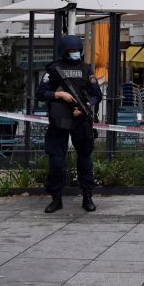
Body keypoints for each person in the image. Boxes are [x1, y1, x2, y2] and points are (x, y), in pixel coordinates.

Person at [36, 34, 103, 213]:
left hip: (81, 120)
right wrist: (58, 95)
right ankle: (56, 198)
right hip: (59, 120)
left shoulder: (86, 69)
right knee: (57, 161)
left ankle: (87, 196)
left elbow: (97, 94)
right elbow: (40, 93)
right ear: (64, 52)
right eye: (71, 51)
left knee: (85, 161)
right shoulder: (54, 69)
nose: (75, 54)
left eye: (77, 51)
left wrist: (87, 106)